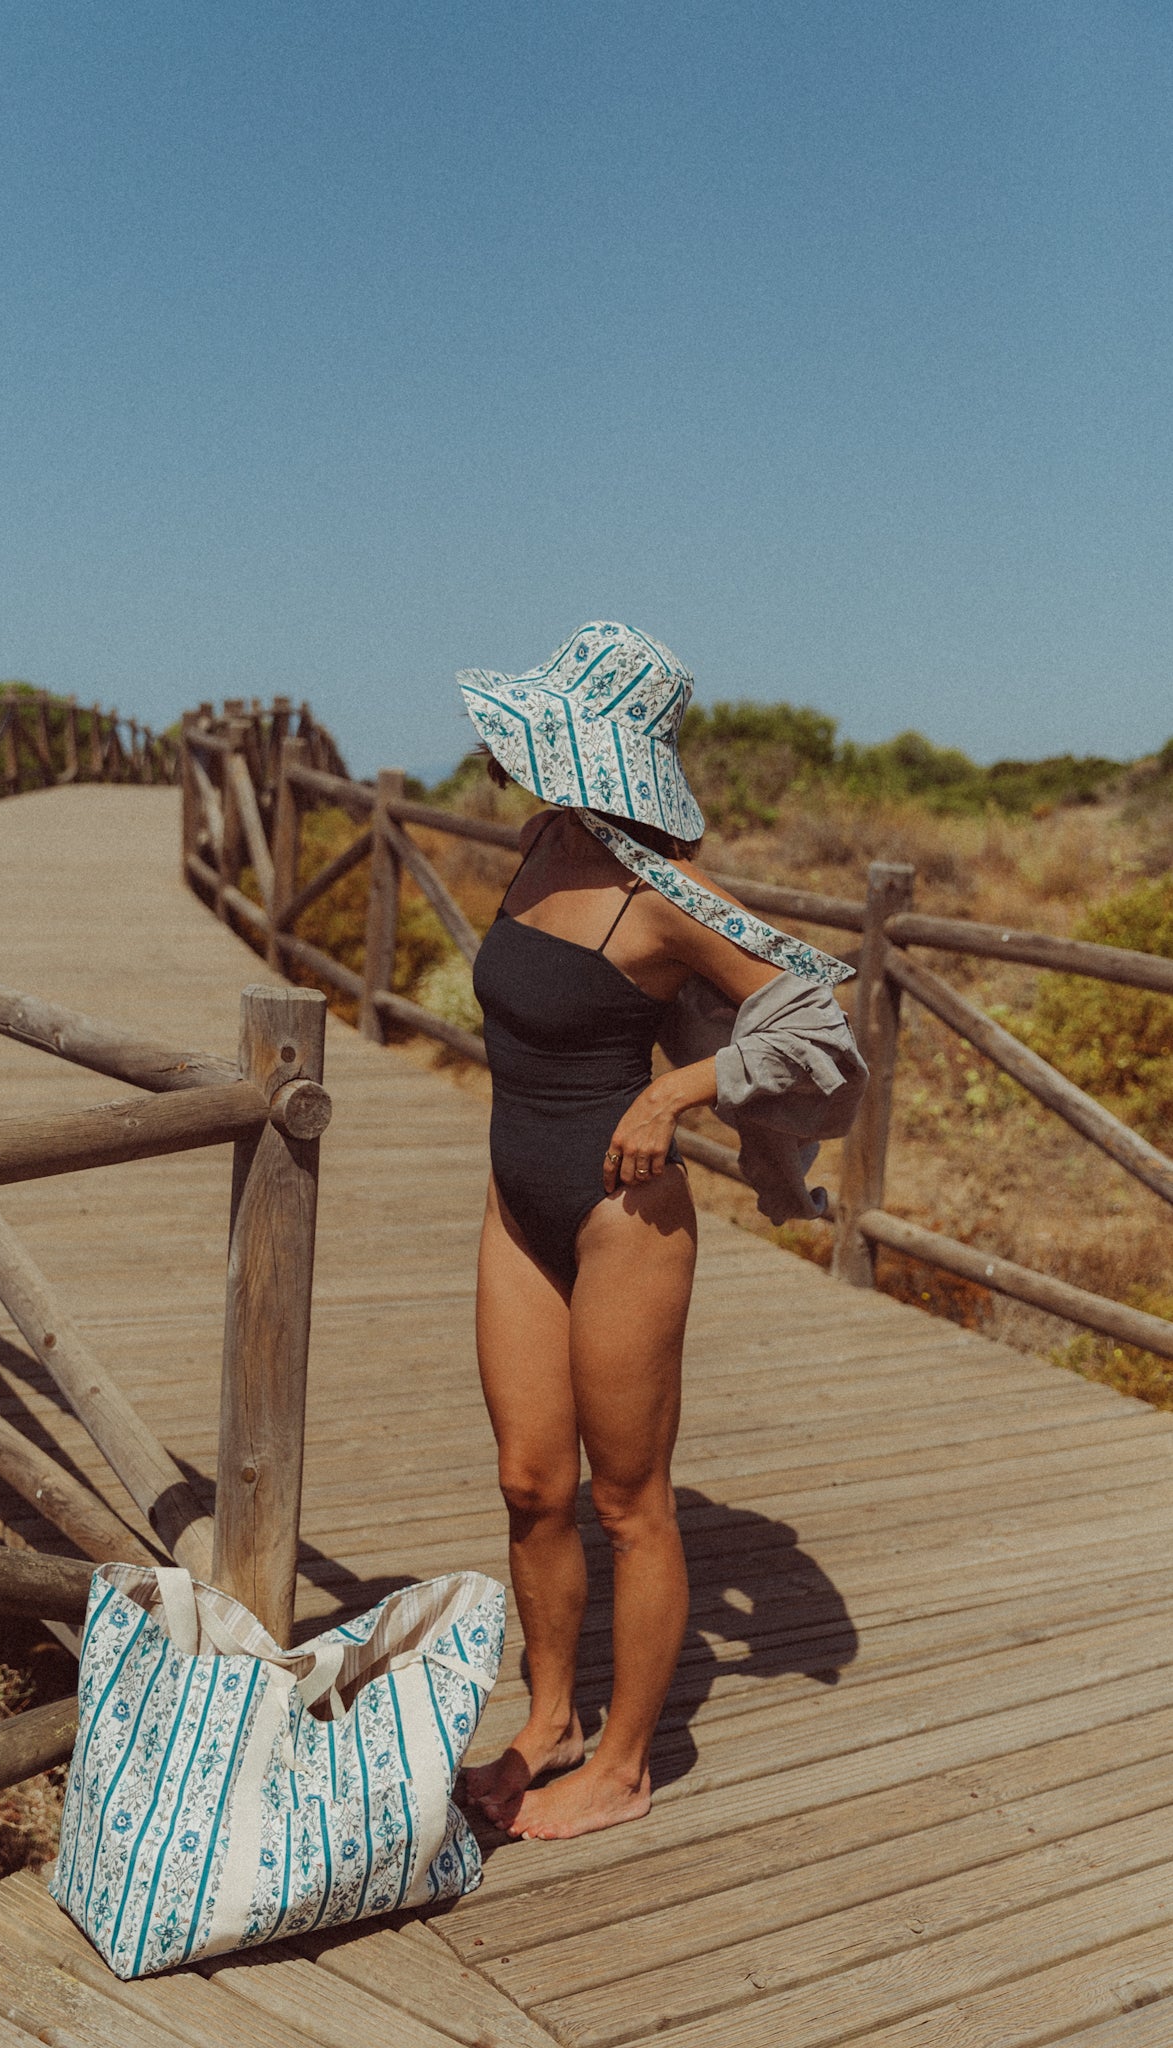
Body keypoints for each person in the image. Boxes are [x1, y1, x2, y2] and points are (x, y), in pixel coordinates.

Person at [456, 622, 861, 1841]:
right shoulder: (540, 843)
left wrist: (677, 1091)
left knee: (628, 1499)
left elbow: (822, 1017)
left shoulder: (664, 898)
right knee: (532, 1484)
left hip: (622, 1219)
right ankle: (550, 1719)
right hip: (514, 1201)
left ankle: (626, 1762)